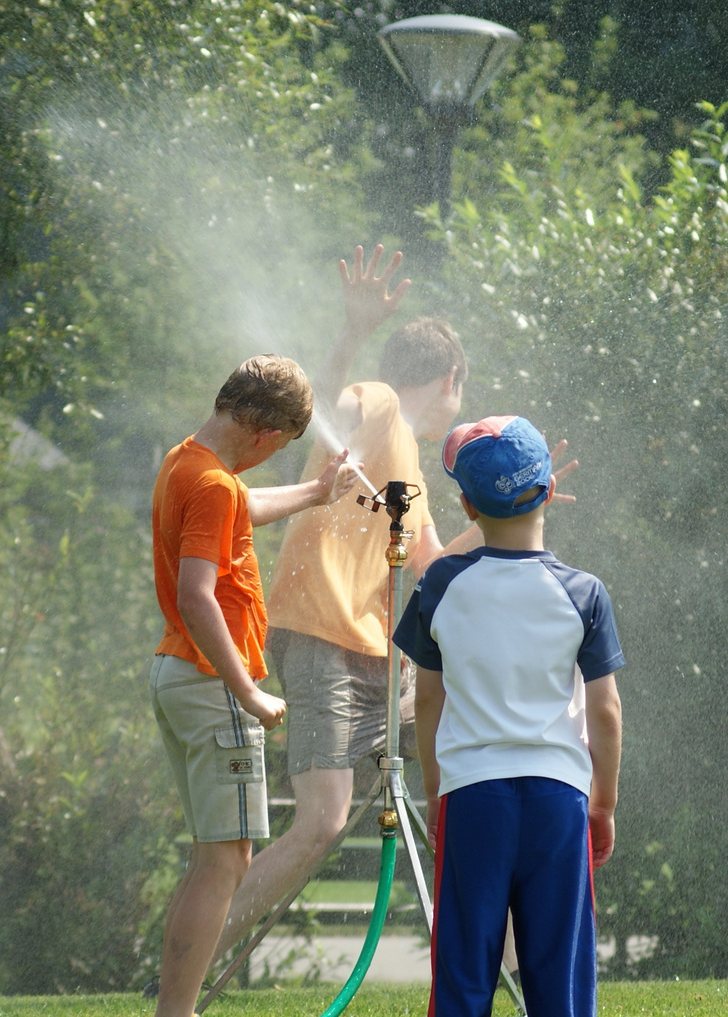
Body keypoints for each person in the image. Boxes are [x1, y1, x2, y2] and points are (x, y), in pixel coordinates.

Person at [213, 245, 577, 951]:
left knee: (475, 788)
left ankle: (494, 959)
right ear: (449, 378)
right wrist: (351, 334)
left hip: (383, 660)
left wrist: (517, 506)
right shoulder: (377, 404)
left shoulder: (409, 470)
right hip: (321, 633)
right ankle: (192, 963)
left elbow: (436, 563)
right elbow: (324, 407)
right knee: (322, 820)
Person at [394, 415, 624, 1017]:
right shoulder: (583, 593)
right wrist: (601, 802)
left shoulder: (439, 586)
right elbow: (604, 711)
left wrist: (436, 791)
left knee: (463, 975)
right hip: (558, 802)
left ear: (464, 505)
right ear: (550, 491)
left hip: (475, 800)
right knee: (563, 985)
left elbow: (429, 700)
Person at [143, 354, 357, 1017]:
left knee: (217, 856)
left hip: (181, 678)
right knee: (227, 860)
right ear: (265, 436)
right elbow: (195, 595)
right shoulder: (212, 485)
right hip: (213, 687)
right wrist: (249, 691)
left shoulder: (191, 463)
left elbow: (239, 509)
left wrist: (312, 493)